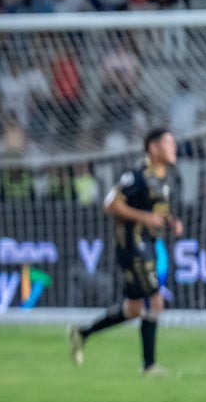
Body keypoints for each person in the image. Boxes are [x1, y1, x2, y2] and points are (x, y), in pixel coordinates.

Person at [68, 128, 183, 375]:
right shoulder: (137, 174)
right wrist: (145, 217)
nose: (174, 147)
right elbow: (110, 204)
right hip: (133, 246)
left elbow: (156, 212)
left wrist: (171, 222)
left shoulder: (165, 176)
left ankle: (82, 332)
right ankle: (149, 366)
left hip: (149, 244)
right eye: (168, 143)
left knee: (132, 308)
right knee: (155, 300)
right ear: (152, 147)